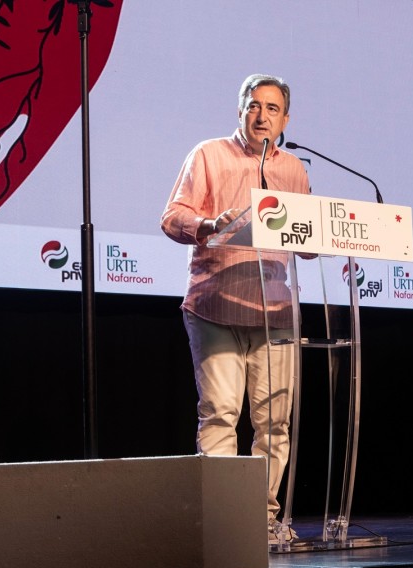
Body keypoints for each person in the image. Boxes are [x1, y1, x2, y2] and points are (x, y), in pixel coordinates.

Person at [160, 73, 313, 543]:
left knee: (275, 423)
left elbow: (307, 241)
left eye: (272, 108)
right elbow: (173, 217)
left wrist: (326, 235)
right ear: (241, 110)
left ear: (285, 119)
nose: (262, 116)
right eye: (254, 106)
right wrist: (209, 224)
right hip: (216, 306)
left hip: (275, 312)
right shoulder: (208, 154)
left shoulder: (294, 170)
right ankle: (224, 523)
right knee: (222, 413)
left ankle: (263, 519)